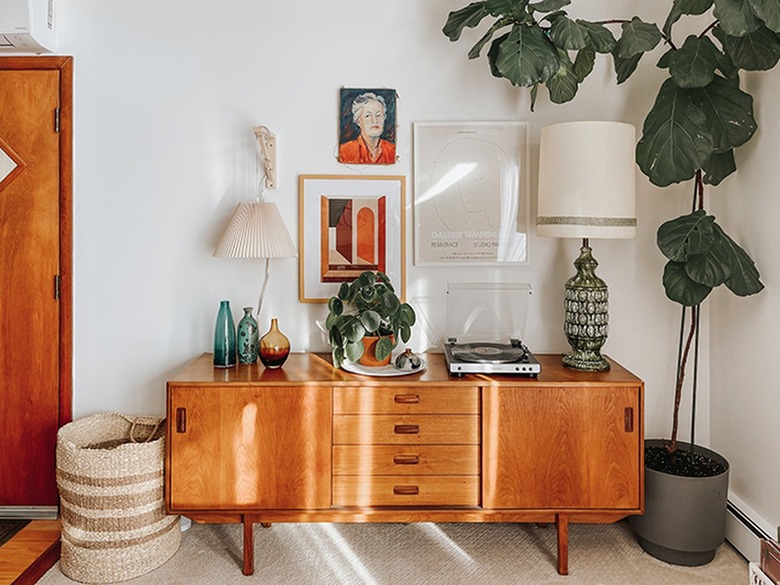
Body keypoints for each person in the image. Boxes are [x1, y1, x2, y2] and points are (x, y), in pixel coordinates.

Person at [339, 92, 396, 164]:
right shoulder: (344, 152)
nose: (375, 121)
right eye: (368, 116)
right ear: (358, 121)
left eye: (378, 115)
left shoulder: (392, 151)